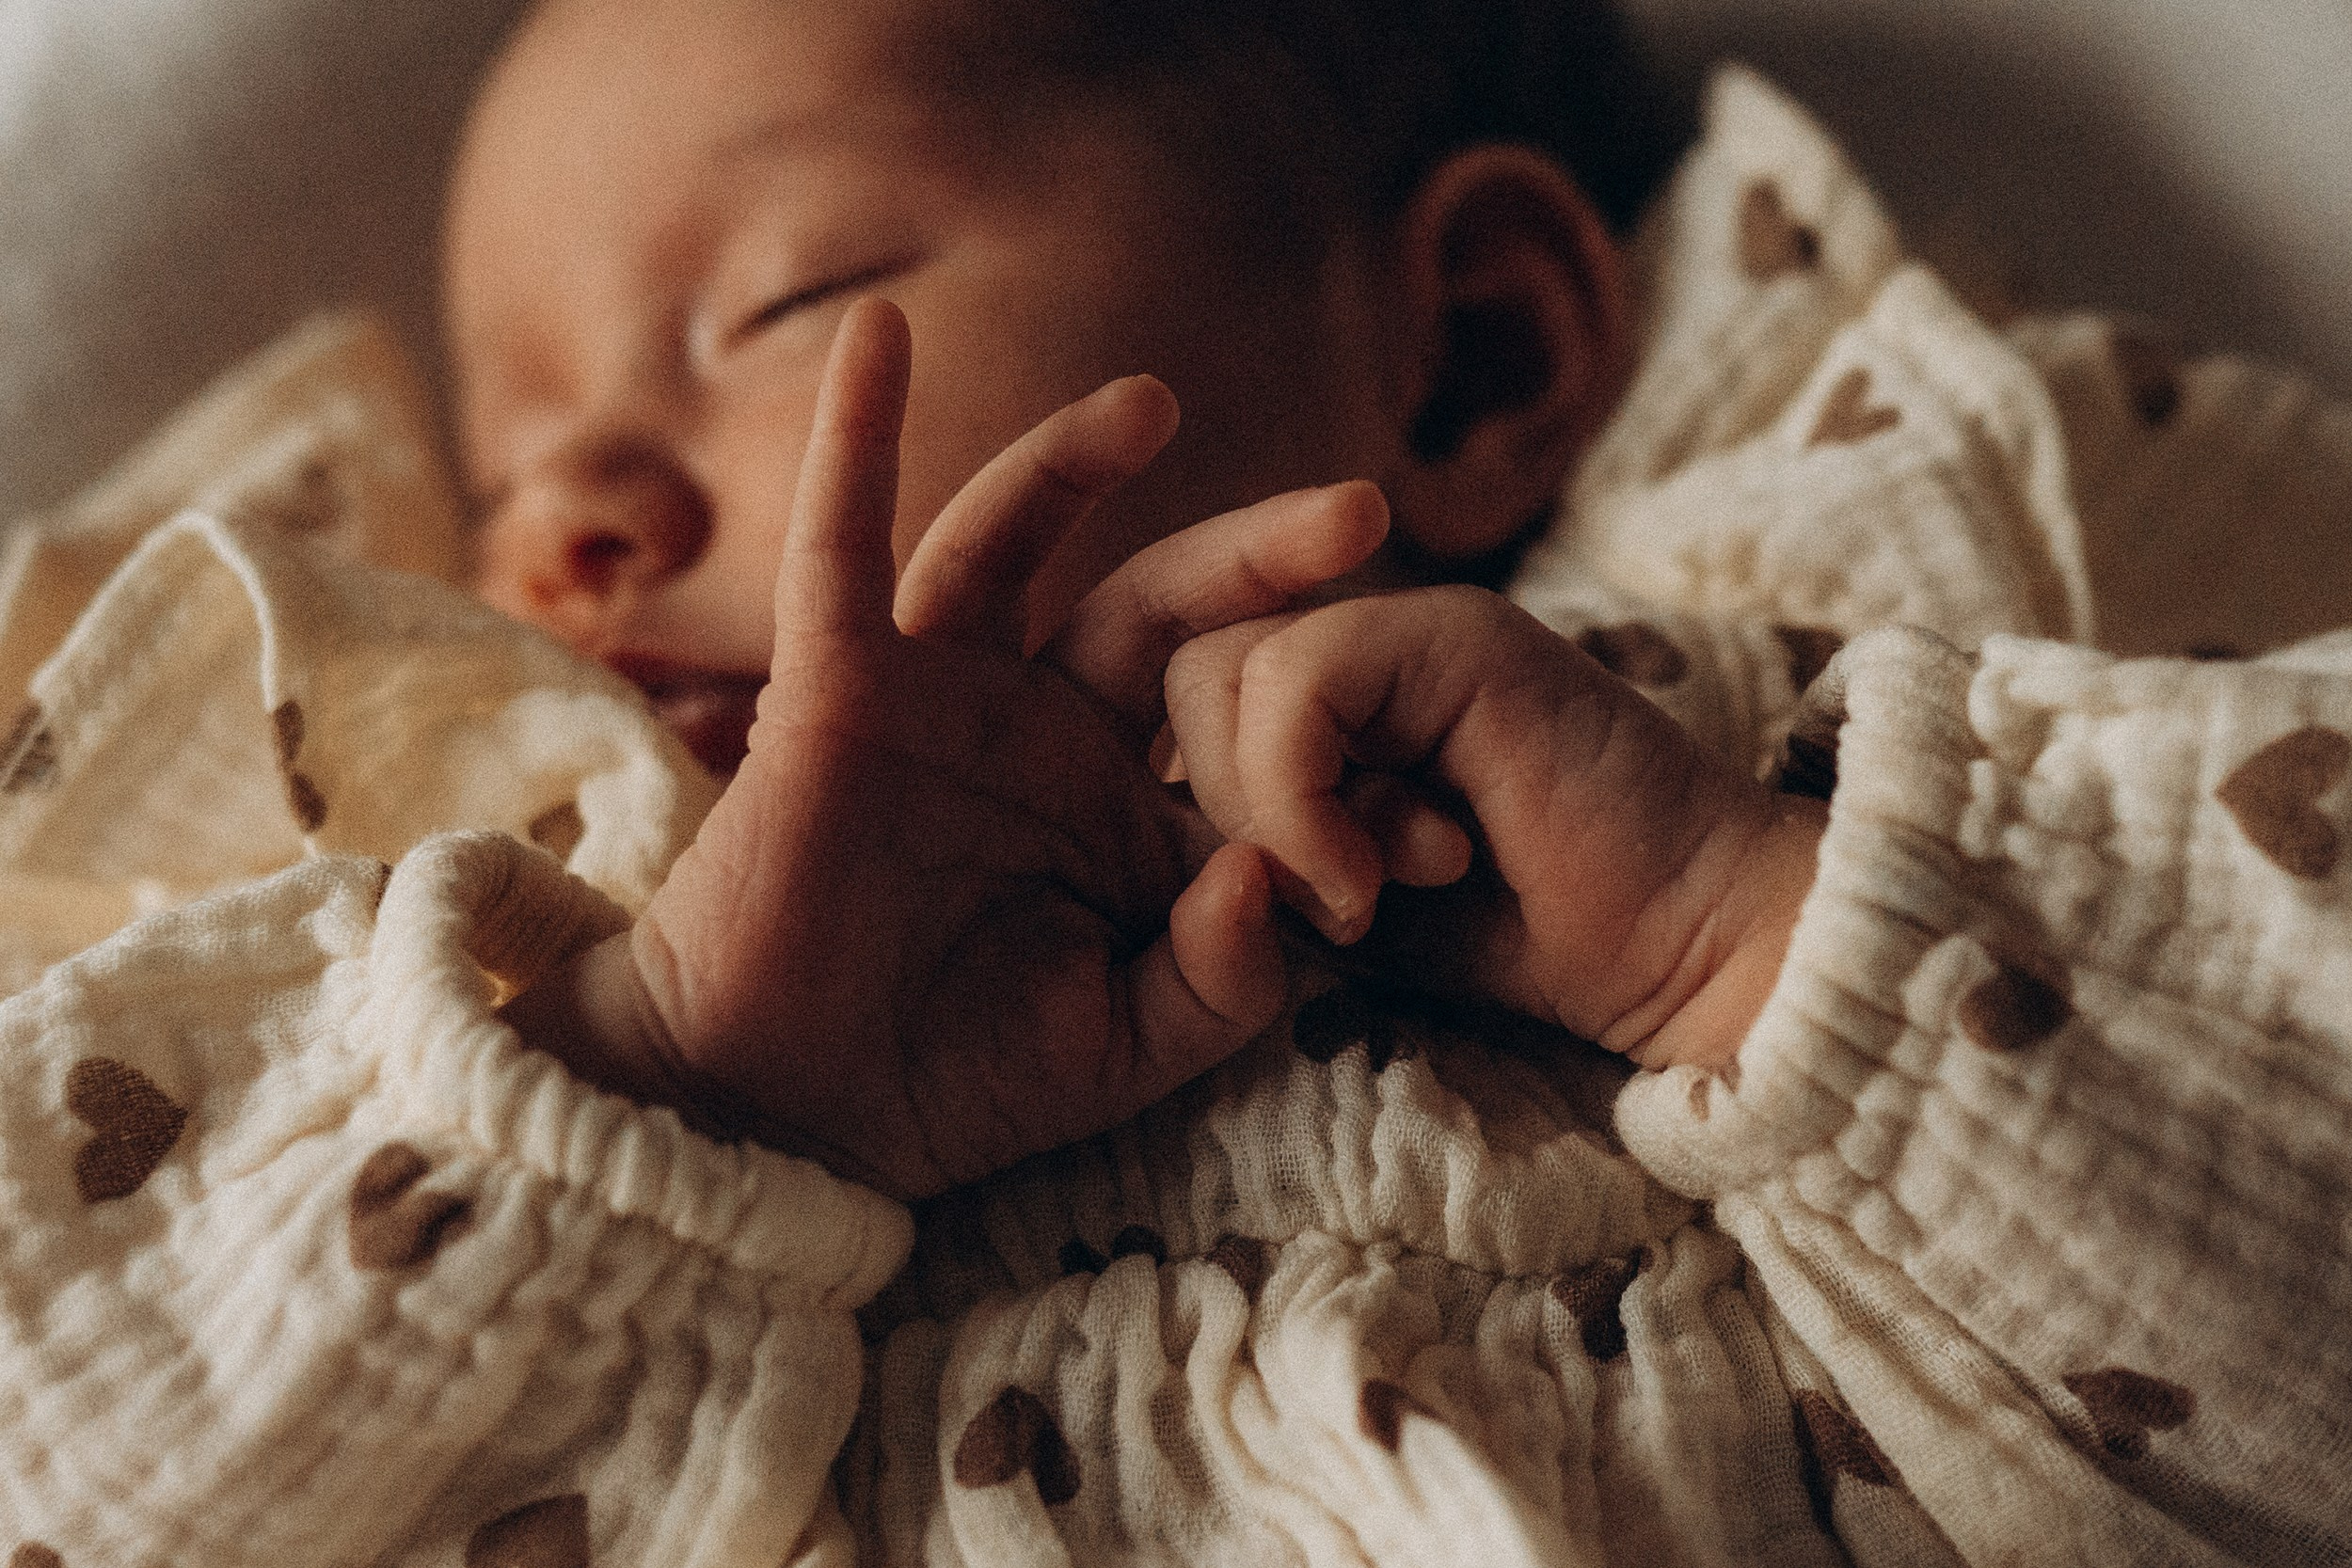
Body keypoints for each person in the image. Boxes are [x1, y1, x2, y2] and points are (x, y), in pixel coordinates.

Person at [2, 0, 2348, 1563]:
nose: (565, 519)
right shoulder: (443, 983)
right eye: (507, 470)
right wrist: (671, 1085)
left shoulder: (1863, 634)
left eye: (773, 305)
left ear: (1476, 354)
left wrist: (1746, 937)